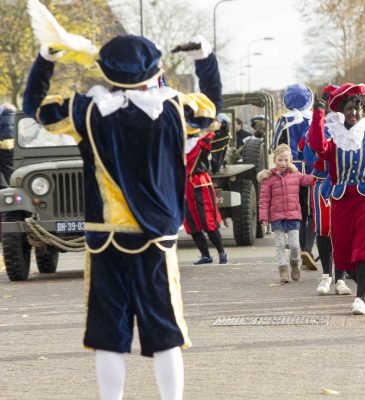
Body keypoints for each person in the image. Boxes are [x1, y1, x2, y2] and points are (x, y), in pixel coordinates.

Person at [23, 33, 221, 399]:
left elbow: (33, 106)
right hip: (155, 236)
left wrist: (46, 59)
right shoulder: (175, 108)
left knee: (108, 335)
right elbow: (212, 107)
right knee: (165, 332)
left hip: (105, 236)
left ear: (104, 71)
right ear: (157, 70)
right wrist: (205, 61)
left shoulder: (85, 110)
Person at [308, 83, 365, 315]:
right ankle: (364, 287)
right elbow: (317, 147)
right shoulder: (334, 132)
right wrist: (318, 114)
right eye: (349, 108)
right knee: (343, 254)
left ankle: (360, 298)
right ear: (342, 110)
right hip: (342, 198)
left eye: (358, 108)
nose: (354, 113)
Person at [302, 85, 353, 295]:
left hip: (345, 182)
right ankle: (326, 275)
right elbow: (309, 156)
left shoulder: (355, 127)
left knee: (343, 231)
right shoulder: (318, 127)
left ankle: (340, 278)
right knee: (323, 230)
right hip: (323, 181)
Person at [272, 83, 318, 270]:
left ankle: (299, 250)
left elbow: (276, 145)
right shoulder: (315, 118)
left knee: (297, 213)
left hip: (291, 170)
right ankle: (308, 249)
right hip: (313, 169)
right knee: (312, 212)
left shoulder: (284, 120)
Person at [258, 144, 314, 283]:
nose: (283, 163)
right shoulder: (268, 178)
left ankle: (294, 263)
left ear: (291, 160)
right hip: (276, 217)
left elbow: (308, 180)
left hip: (293, 216)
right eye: (280, 160)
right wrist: (264, 217)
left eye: (286, 160)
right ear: (274, 160)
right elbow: (264, 200)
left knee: (294, 245)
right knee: (280, 245)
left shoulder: (296, 175)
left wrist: (318, 172)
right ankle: (283, 270)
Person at [183, 114, 228, 266]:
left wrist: (215, 122)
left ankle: (222, 252)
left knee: (207, 219)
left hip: (200, 183)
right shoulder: (176, 144)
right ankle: (205, 255)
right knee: (192, 223)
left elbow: (220, 136)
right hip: (185, 186)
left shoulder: (204, 141)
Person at [0, 103, 16, 188]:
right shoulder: (16, 117)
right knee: (9, 169)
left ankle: (4, 188)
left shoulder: (2, 117)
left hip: (2, 145)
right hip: (13, 146)